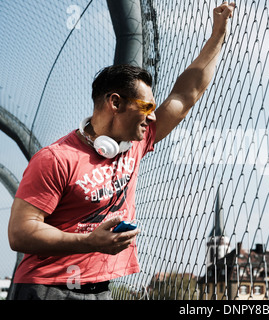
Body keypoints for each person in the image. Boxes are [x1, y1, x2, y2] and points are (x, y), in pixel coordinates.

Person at [8, 2, 236, 300]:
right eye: (145, 107)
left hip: (101, 288)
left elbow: (186, 94)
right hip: (46, 289)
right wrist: (89, 241)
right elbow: (20, 233)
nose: (153, 117)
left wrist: (218, 34)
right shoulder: (56, 158)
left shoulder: (137, 141)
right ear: (115, 103)